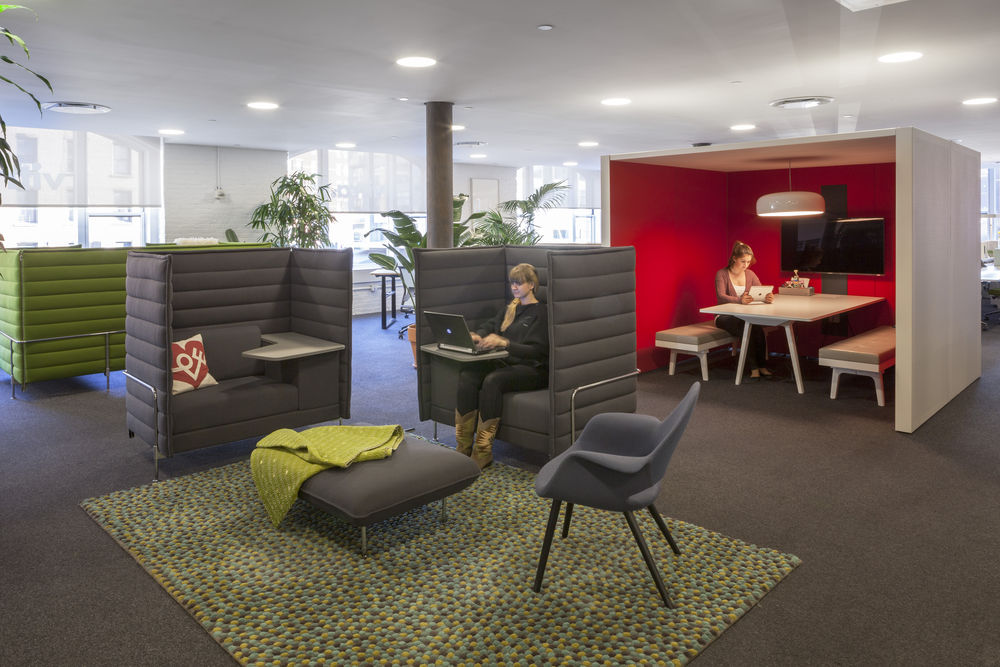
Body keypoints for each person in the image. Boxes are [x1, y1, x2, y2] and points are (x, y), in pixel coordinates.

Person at [454, 263, 548, 469]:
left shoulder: (541, 312)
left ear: (531, 285)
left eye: (519, 283)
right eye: (512, 283)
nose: (514, 287)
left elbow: (538, 351)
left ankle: (482, 451)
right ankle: (463, 447)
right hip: (506, 363)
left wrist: (505, 343)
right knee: (468, 375)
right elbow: (490, 326)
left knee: (493, 380)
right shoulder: (510, 308)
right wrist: (477, 335)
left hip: (532, 369)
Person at [714, 240, 774, 380]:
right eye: (743, 261)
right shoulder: (722, 274)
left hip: (743, 315)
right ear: (734, 258)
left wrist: (767, 297)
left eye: (748, 262)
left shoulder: (750, 274)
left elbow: (760, 291)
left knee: (757, 328)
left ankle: (762, 366)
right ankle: (754, 368)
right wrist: (739, 300)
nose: (746, 265)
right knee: (746, 327)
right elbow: (721, 296)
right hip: (724, 316)